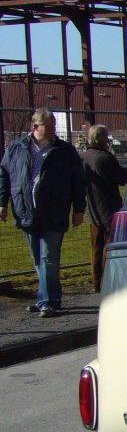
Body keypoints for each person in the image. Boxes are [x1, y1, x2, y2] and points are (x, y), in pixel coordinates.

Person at [0, 108, 86, 317]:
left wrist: (78, 209)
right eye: (49, 125)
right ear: (35, 126)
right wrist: (2, 202)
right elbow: (4, 174)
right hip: (26, 211)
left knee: (48, 257)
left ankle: (46, 301)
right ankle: (49, 299)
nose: (53, 129)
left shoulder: (64, 151)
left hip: (55, 210)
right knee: (38, 259)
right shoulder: (17, 148)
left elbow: (78, 180)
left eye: (54, 125)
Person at [82, 124, 127, 292]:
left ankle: (96, 282)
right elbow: (122, 178)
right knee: (109, 246)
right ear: (102, 139)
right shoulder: (106, 158)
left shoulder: (84, 157)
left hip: (93, 207)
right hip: (109, 206)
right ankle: (106, 281)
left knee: (96, 246)